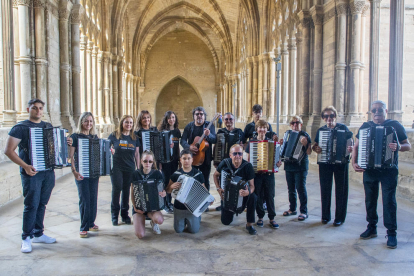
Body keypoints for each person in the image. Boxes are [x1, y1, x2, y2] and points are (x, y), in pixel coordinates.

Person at [5, 99, 71, 253]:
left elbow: (55, 147)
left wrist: (65, 141)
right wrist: (25, 166)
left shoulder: (47, 126)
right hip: (31, 173)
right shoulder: (20, 128)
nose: (38, 111)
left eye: (41, 108)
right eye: (35, 108)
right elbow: (9, 151)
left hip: (48, 172)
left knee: (42, 203)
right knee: (31, 204)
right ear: (28, 109)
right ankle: (26, 237)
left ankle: (38, 233)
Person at [352, 100, 411, 249]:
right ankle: (372, 227)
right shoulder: (365, 127)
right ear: (371, 112)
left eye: (380, 110)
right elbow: (356, 146)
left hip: (389, 170)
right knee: (370, 200)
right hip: (370, 170)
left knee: (389, 201)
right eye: (374, 110)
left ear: (386, 111)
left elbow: (407, 145)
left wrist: (398, 147)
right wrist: (354, 162)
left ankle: (391, 233)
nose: (377, 113)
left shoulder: (395, 125)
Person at [312, 106, 353, 226]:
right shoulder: (321, 130)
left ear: (335, 116)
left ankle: (339, 218)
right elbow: (315, 145)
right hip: (325, 163)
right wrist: (316, 148)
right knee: (325, 189)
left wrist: (350, 149)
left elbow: (351, 143)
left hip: (341, 163)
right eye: (326, 116)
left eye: (331, 116)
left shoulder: (343, 128)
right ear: (323, 118)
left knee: (341, 190)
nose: (329, 118)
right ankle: (325, 216)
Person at [213, 144, 258, 235]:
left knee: (253, 197)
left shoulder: (247, 166)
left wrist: (247, 192)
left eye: (240, 153)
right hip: (228, 195)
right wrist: (218, 188)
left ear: (242, 154)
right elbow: (215, 175)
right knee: (225, 222)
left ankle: (249, 224)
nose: (237, 156)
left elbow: (252, 186)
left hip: (242, 195)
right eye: (235, 153)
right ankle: (231, 210)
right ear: (230, 155)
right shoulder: (225, 163)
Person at [69, 112, 100, 238]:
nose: (89, 124)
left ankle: (91, 223)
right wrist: (74, 171)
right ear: (81, 122)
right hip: (81, 173)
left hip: (94, 172)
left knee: (93, 199)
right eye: (86, 121)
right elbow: (71, 156)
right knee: (84, 199)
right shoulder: (75, 137)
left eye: (91, 121)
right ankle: (83, 226)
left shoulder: (95, 137)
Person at [245, 119, 280, 228]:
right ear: (256, 129)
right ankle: (260, 217)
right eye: (260, 127)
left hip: (269, 174)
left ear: (267, 129)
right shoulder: (251, 143)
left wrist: (278, 163)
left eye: (264, 127)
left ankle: (272, 218)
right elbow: (246, 158)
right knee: (258, 195)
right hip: (257, 174)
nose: (262, 130)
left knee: (270, 195)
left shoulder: (271, 142)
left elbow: (277, 158)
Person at [108, 115, 140, 226]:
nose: (129, 125)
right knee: (117, 189)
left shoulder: (134, 137)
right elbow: (107, 148)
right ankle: (114, 215)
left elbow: (137, 154)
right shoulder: (114, 135)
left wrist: (139, 168)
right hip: (116, 167)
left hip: (130, 167)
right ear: (122, 123)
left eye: (131, 123)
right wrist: (110, 150)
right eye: (127, 122)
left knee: (126, 191)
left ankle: (125, 215)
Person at [280, 116, 312, 221]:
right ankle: (292, 209)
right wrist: (281, 144)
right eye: (292, 123)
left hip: (300, 166)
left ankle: (304, 211)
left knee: (300, 188)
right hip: (289, 165)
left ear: (301, 124)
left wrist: (306, 144)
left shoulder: (305, 135)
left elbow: (309, 152)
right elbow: (284, 148)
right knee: (291, 189)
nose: (294, 125)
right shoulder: (287, 134)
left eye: (297, 123)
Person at [166, 149, 206, 233]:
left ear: (192, 160)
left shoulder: (198, 174)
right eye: (184, 158)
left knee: (194, 231)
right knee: (178, 230)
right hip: (179, 207)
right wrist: (171, 187)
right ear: (180, 160)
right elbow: (168, 191)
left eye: (188, 158)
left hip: (192, 208)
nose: (186, 161)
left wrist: (208, 198)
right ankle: (184, 220)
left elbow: (204, 190)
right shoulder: (175, 174)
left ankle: (196, 217)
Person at [131, 150, 167, 238]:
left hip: (153, 208)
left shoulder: (157, 174)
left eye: (150, 161)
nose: (147, 163)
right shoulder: (136, 174)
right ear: (141, 162)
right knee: (140, 235)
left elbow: (163, 190)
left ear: (153, 162)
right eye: (145, 161)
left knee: (159, 220)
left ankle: (153, 222)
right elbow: (132, 192)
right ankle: (139, 219)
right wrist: (135, 207)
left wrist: (164, 193)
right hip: (139, 208)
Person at [181, 106, 217, 193]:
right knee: (192, 180)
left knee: (205, 180)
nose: (199, 116)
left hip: (206, 159)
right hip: (192, 158)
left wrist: (208, 135)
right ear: (194, 116)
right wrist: (189, 147)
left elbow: (214, 139)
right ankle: (193, 203)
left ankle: (205, 203)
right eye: (197, 114)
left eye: (201, 114)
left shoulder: (209, 125)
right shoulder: (189, 126)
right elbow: (182, 140)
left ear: (204, 116)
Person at [213, 112, 245, 211]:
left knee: (234, 183)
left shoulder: (239, 131)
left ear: (233, 120)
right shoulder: (220, 132)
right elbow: (216, 146)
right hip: (223, 162)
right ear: (224, 121)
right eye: (226, 119)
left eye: (230, 119)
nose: (228, 121)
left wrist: (243, 147)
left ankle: (234, 203)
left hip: (235, 163)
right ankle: (223, 203)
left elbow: (244, 145)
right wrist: (215, 159)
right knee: (223, 183)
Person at [158, 111, 181, 214]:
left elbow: (177, 147)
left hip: (174, 160)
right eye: (169, 118)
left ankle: (169, 202)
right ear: (166, 120)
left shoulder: (177, 132)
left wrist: (180, 159)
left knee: (172, 181)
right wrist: (159, 162)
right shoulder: (162, 131)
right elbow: (159, 148)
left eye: (173, 117)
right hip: (165, 161)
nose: (171, 119)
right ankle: (164, 204)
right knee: (166, 181)